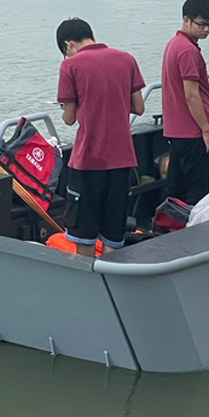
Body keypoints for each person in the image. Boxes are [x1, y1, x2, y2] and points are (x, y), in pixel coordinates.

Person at [56, 17, 145, 256]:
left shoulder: (70, 66)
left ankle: (86, 286)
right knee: (113, 236)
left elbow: (70, 118)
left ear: (68, 44)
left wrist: (66, 107)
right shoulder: (126, 59)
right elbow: (138, 107)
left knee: (83, 235)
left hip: (88, 160)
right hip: (122, 160)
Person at [161, 0, 209, 205]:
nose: (206, 30)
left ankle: (167, 224)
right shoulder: (188, 51)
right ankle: (194, 231)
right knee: (196, 189)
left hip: (175, 130)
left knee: (175, 186)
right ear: (186, 20)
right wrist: (205, 129)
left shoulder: (173, 44)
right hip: (191, 131)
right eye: (202, 24)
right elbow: (191, 94)